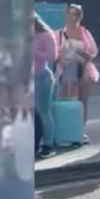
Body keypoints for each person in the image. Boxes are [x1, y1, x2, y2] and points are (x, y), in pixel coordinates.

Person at [57, 4, 100, 145]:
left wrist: (80, 54)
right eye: (70, 13)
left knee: (82, 102)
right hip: (65, 70)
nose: (72, 16)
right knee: (66, 100)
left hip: (83, 70)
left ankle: (81, 131)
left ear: (80, 16)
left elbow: (93, 52)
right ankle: (67, 131)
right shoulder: (60, 33)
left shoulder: (85, 32)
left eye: (76, 14)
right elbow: (55, 53)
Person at [33, 12, 58, 158]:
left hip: (43, 77)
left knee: (44, 112)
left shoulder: (46, 35)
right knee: (34, 114)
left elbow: (52, 57)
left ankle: (48, 145)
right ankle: (36, 143)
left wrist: (34, 51)